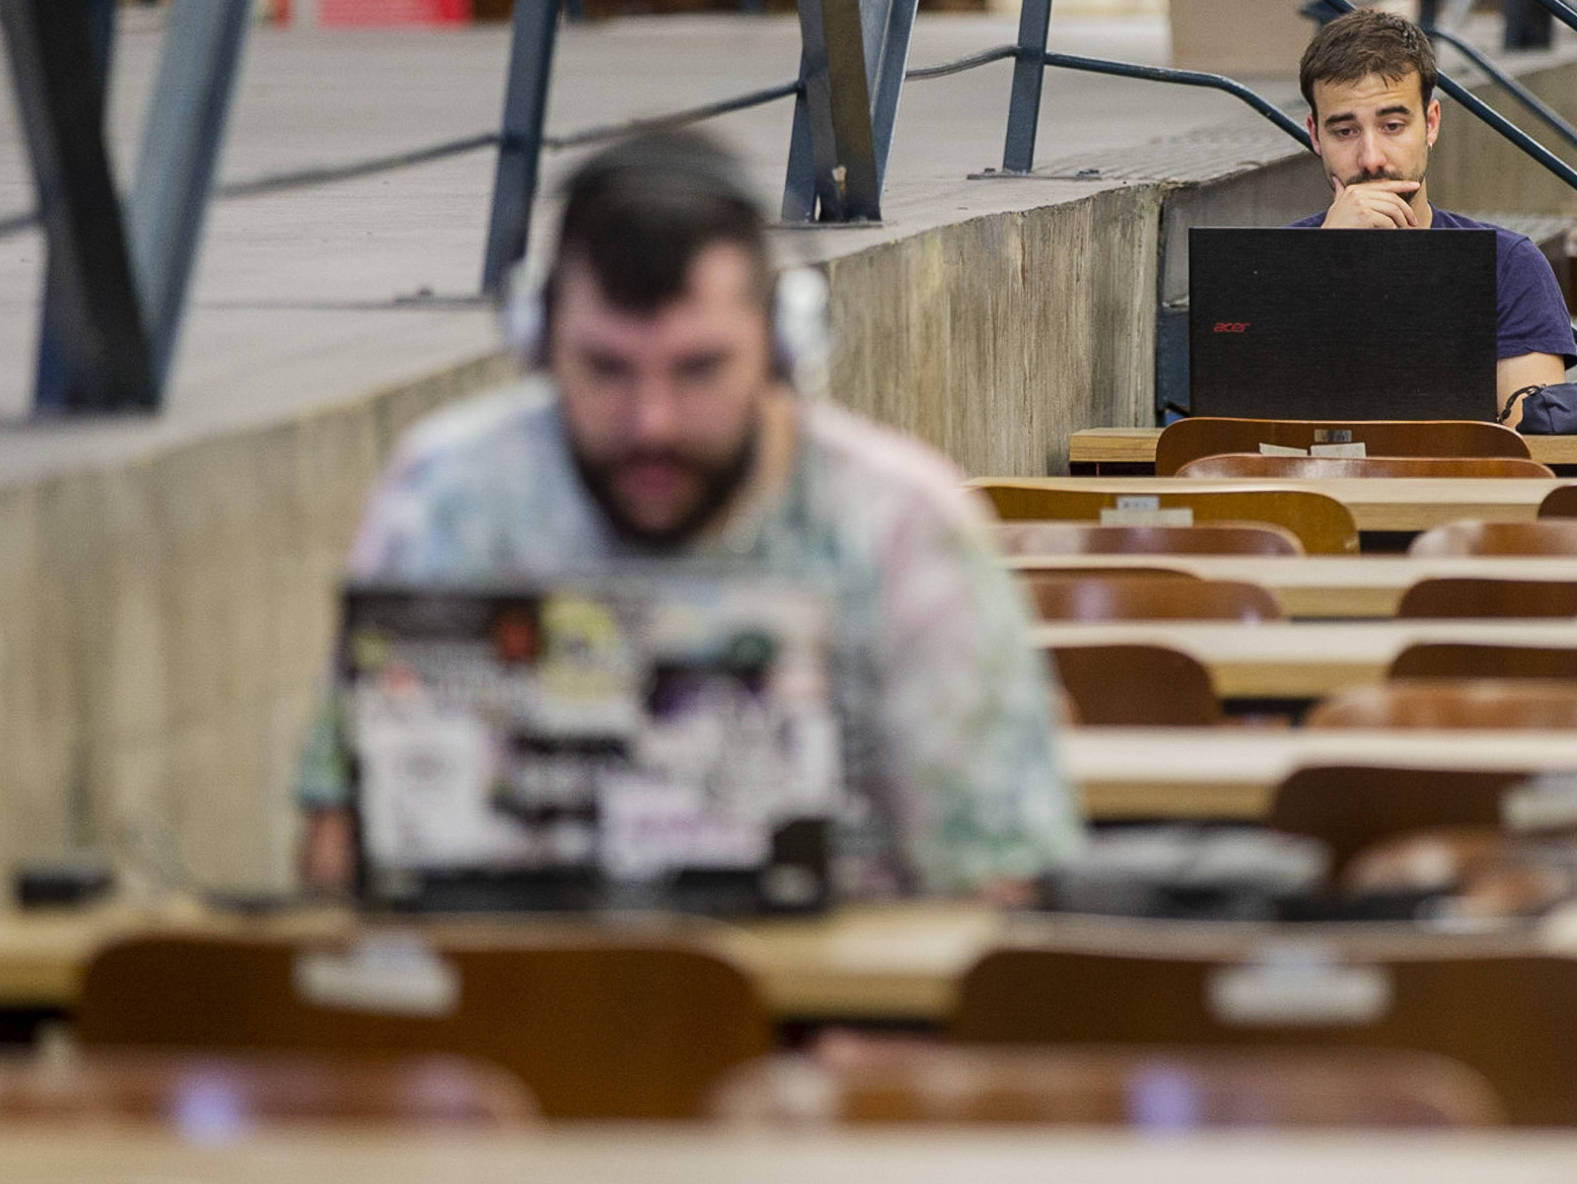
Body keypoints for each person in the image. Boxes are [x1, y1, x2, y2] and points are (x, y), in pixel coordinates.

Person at [297, 132, 1082, 900]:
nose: (652, 424)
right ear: (540, 343)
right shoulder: (448, 494)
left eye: (700, 369)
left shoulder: (903, 526)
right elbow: (338, 847)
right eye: (605, 368)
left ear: (780, 344)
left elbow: (993, 888)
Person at [1293, 9, 1576, 421]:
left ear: (1430, 124)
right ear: (1315, 135)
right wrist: (1326, 265)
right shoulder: (1271, 267)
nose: (1371, 159)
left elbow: (1527, 446)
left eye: (1392, 125)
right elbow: (1245, 441)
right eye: (1344, 132)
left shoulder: (1507, 266)